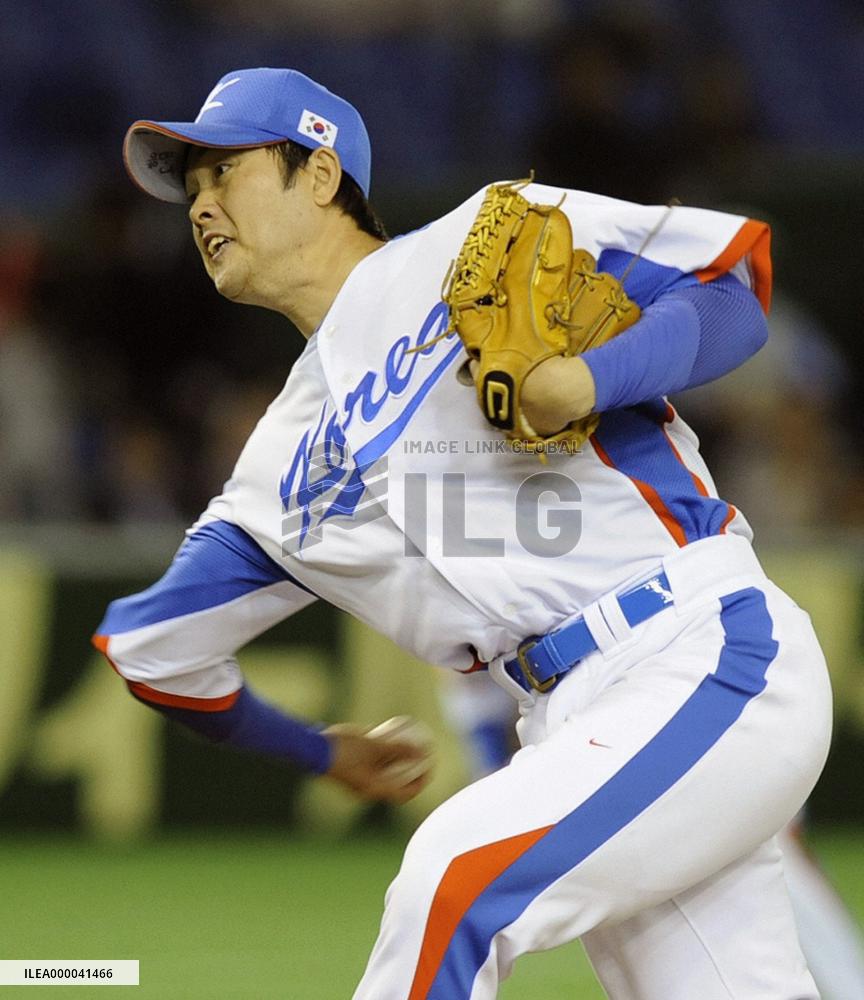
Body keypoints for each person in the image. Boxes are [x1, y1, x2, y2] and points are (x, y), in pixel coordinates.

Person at [96, 67, 833, 999]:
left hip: (700, 648)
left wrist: (595, 377)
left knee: (452, 883)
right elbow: (149, 649)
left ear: (318, 175)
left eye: (223, 172)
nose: (199, 207)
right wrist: (327, 753)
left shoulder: (480, 237)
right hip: (573, 722)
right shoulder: (275, 473)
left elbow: (732, 285)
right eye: (188, 188)